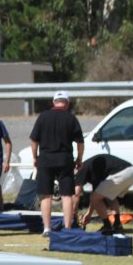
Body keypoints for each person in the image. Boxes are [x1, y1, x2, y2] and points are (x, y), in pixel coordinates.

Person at [29, 90, 84, 234]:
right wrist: (79, 158)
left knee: (46, 195)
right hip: (65, 159)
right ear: (67, 103)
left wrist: (35, 157)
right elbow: (80, 142)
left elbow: (34, 140)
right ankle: (67, 227)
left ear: (54, 102)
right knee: (67, 195)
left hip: (46, 159)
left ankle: (47, 228)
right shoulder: (71, 118)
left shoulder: (43, 117)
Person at [75, 154, 133, 234]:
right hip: (132, 172)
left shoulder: (81, 169)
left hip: (122, 173)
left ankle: (107, 226)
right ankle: (117, 225)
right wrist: (89, 214)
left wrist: (74, 213)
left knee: (94, 198)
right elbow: (97, 194)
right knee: (109, 196)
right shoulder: (92, 167)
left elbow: (77, 194)